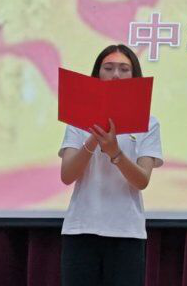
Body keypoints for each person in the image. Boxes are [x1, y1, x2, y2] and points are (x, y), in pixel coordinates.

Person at [58, 44, 163, 286]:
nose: (116, 74)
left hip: (126, 232)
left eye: (124, 69)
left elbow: (142, 180)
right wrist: (93, 139)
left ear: (134, 76)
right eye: (108, 68)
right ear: (97, 74)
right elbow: (67, 175)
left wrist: (115, 152)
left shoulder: (148, 122)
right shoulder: (77, 119)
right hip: (81, 229)